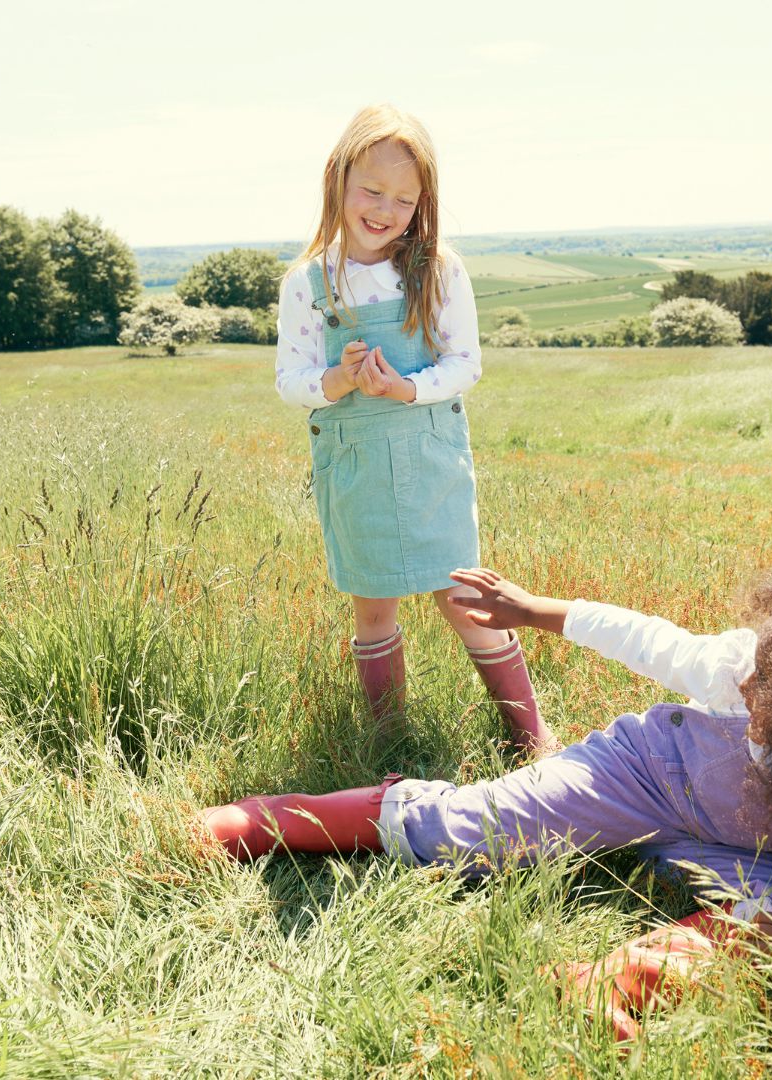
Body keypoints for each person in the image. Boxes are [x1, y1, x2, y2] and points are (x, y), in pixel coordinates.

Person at [199, 566, 772, 1039]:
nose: (748, 684)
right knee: (475, 830)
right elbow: (646, 638)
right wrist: (532, 610)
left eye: (769, 698)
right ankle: (265, 818)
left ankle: (621, 977)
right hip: (650, 775)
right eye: (755, 673)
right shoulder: (752, 660)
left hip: (765, 852)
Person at [274, 104, 557, 753]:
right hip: (357, 465)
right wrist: (338, 382)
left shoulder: (438, 268)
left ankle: (530, 734)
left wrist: (406, 388)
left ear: (423, 202)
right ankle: (390, 738)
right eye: (371, 189)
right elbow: (290, 381)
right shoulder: (310, 282)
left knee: (461, 595)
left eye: (403, 198)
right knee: (373, 605)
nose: (384, 208)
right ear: (338, 180)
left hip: (428, 454)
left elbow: (466, 364)